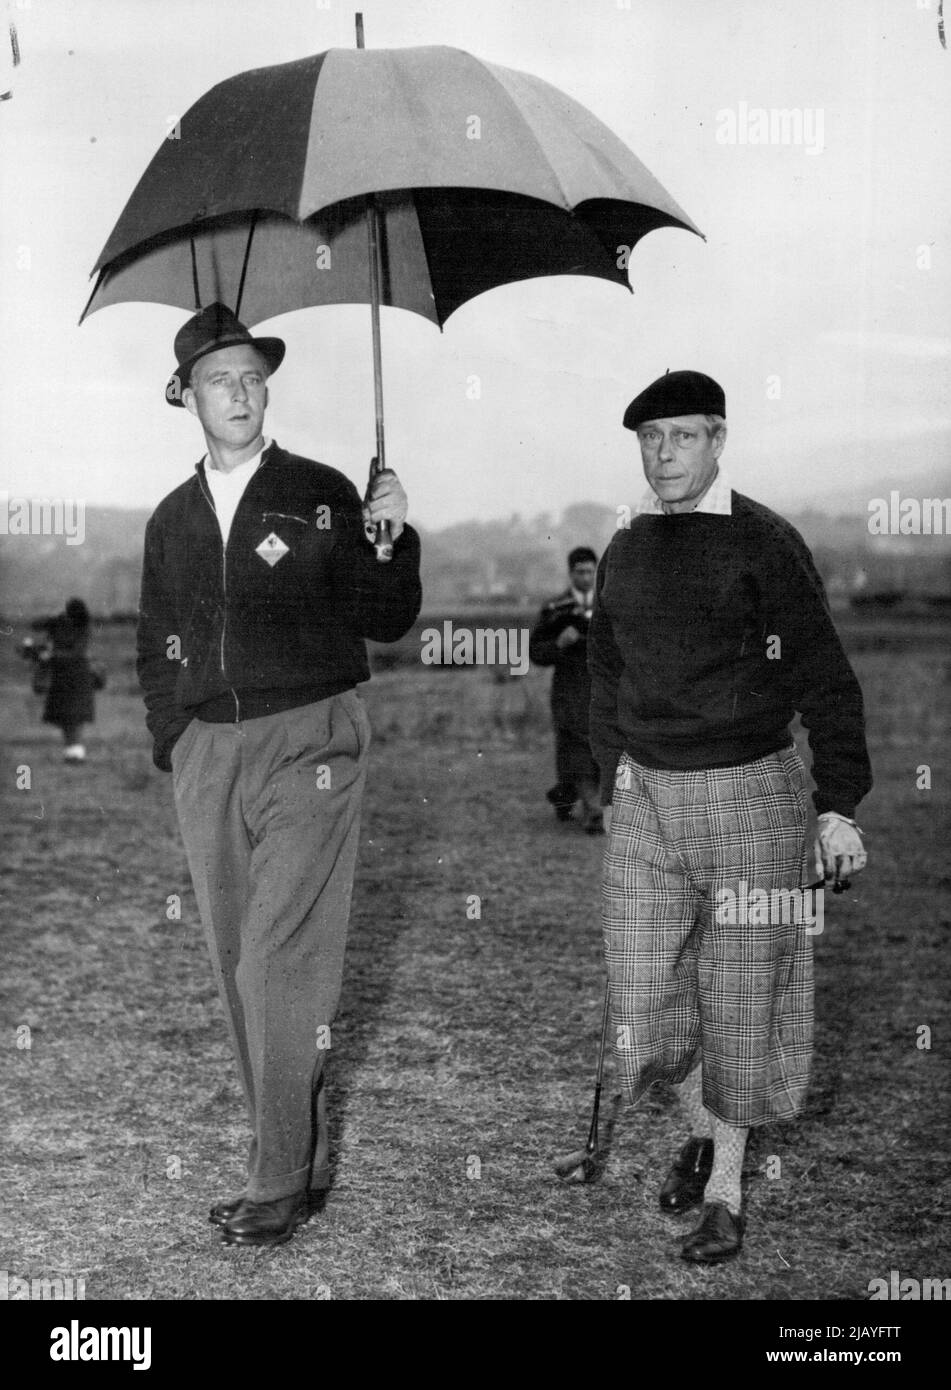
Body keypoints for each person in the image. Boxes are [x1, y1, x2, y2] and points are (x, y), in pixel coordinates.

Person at [137, 303, 422, 1249]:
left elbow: (383, 618)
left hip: (312, 742)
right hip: (208, 749)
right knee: (233, 964)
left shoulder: (323, 492)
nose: (243, 391)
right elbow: (155, 640)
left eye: (255, 375)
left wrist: (392, 537)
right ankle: (293, 1155)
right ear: (187, 397)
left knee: (276, 958)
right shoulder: (171, 519)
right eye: (222, 379)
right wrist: (171, 739)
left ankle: (274, 1182)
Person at [589, 370, 872, 1263]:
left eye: (680, 437)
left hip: (754, 790)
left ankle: (723, 1186)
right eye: (649, 439)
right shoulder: (628, 543)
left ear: (717, 440)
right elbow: (603, 669)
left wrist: (839, 808)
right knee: (642, 996)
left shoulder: (764, 542)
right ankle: (702, 1118)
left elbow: (824, 675)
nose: (662, 454)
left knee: (744, 998)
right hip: (647, 795)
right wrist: (611, 778)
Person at [530, 547, 602, 833]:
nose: (586, 577)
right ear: (570, 573)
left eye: (590, 571)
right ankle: (592, 809)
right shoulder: (555, 609)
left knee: (600, 749)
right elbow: (536, 652)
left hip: (602, 688)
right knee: (575, 747)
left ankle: (567, 796)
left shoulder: (609, 605)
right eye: (580, 572)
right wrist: (559, 643)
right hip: (569, 689)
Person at [37, 598, 102, 762]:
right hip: (69, 677)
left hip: (76, 677)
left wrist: (52, 655)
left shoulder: (80, 628)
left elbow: (77, 654)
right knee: (69, 717)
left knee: (73, 717)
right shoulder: (72, 625)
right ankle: (72, 752)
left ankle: (75, 752)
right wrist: (53, 618)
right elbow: (37, 625)